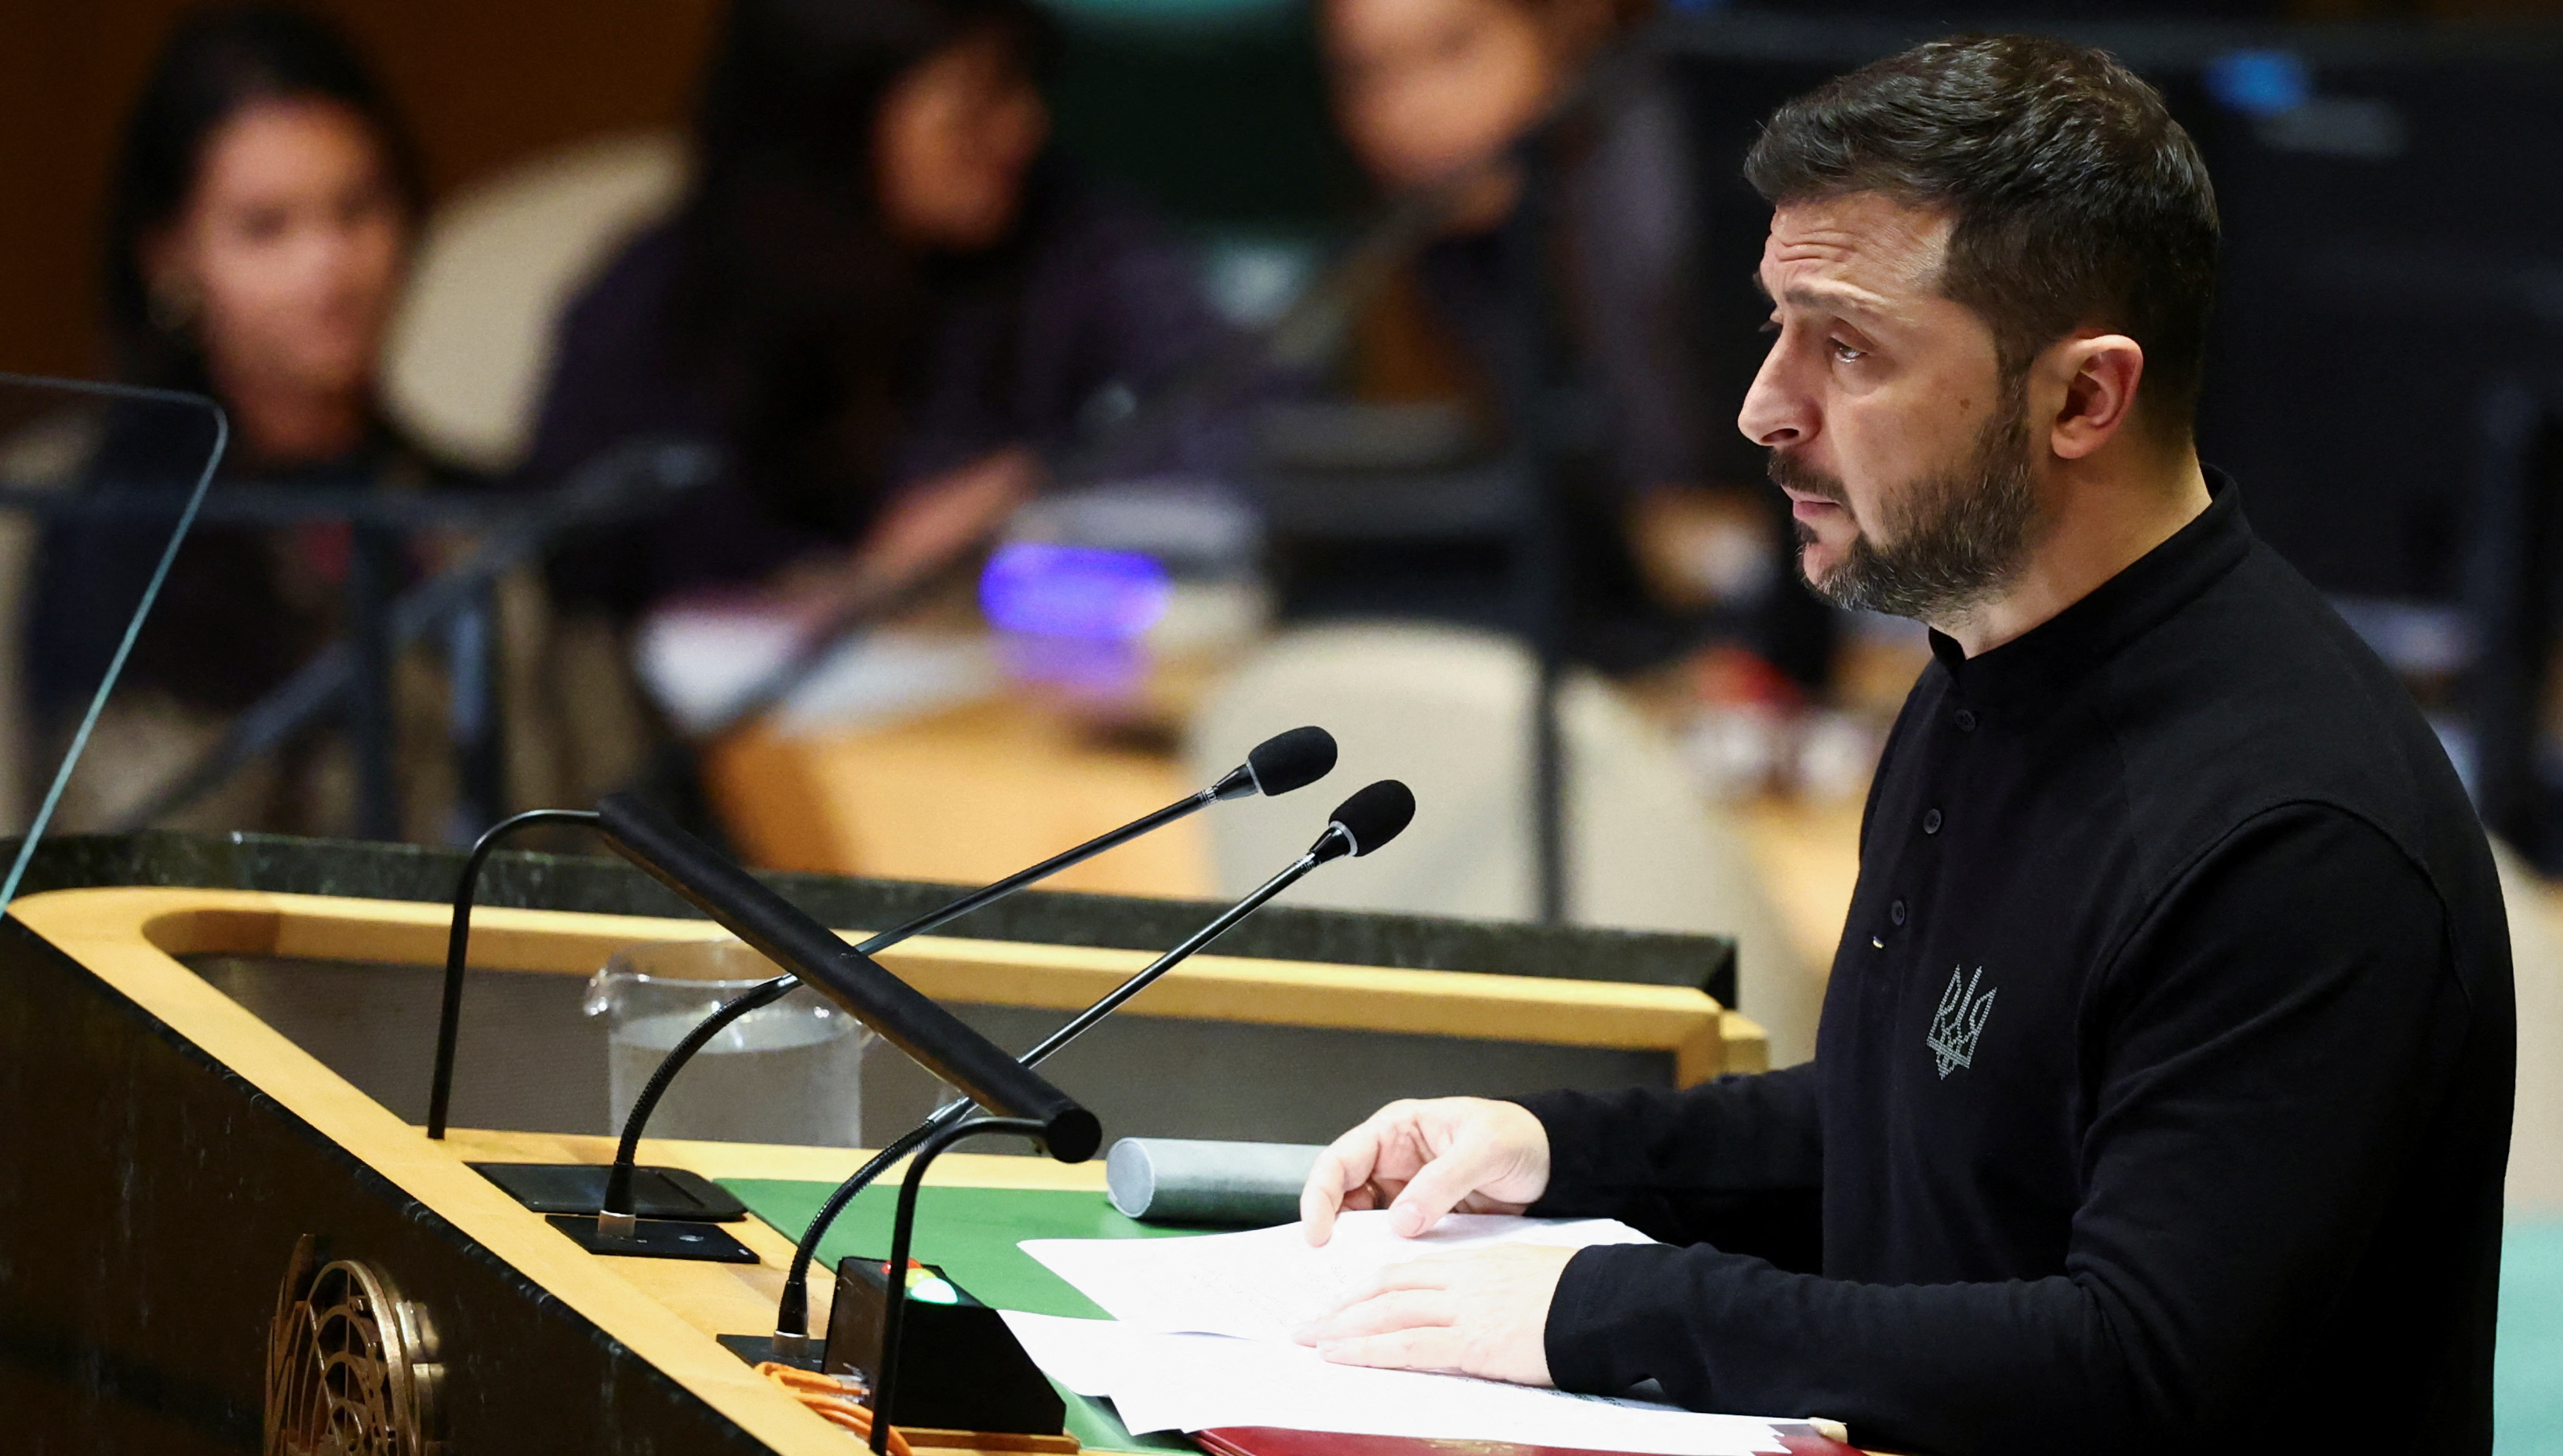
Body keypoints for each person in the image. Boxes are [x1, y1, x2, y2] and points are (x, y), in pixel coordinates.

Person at [1290, 35, 2517, 1456]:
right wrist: (1551, 1149)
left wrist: (1597, 1307)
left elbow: (2137, 1361)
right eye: (1773, 329)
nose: (1761, 409)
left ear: (2085, 393)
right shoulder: (1980, 671)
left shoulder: (2293, 829)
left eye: (1846, 350)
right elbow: (1938, 1119)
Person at [525, 0, 1236, 625]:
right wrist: (846, 584)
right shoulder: (669, 300)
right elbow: (584, 567)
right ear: (839, 114)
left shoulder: (1071, 242)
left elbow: (1237, 418)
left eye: (1021, 82)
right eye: (976, 102)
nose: (1024, 127)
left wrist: (1039, 485)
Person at [11, 7, 461, 835]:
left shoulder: (464, 521)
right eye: (267, 227)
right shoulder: (53, 517)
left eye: (357, 209)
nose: (328, 267)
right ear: (170, 256)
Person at [1309, 0, 1794, 677]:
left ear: (1563, 30)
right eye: (1367, 75)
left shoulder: (1681, 199)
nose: (1410, 108)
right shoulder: (1443, 259)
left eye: (1452, 49)